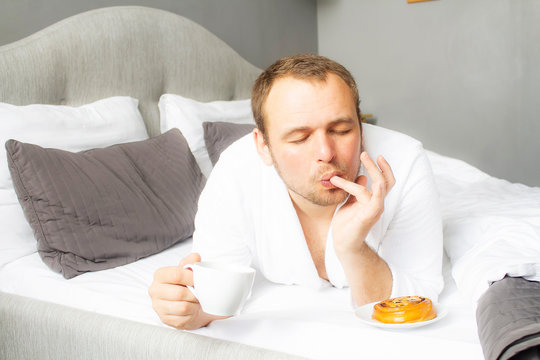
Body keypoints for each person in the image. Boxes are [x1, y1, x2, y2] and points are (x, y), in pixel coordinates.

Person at [148, 54, 444, 330]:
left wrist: (353, 247)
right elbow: (217, 291)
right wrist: (191, 309)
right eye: (300, 138)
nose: (326, 153)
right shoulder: (236, 172)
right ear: (263, 146)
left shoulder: (405, 162)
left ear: (362, 128)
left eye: (341, 130)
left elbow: (415, 305)